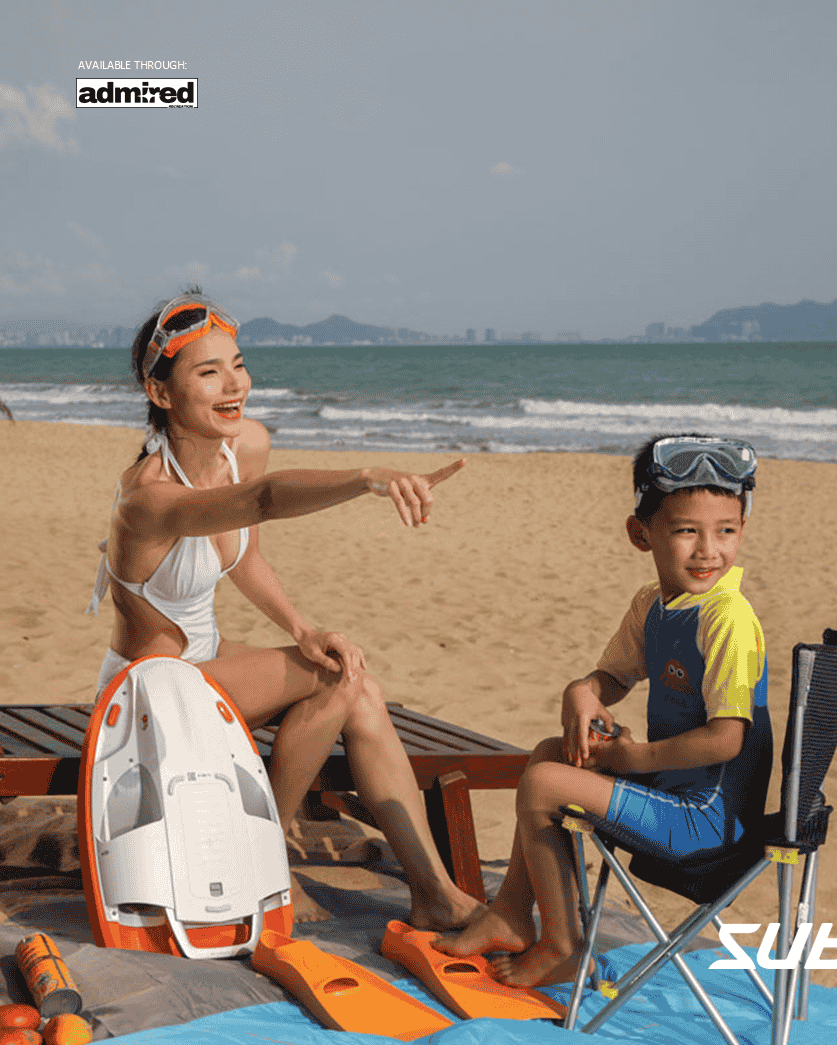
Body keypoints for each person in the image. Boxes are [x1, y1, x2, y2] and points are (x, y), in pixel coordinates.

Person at [87, 289, 483, 928]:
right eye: (207, 372)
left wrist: (301, 628)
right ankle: (265, 862)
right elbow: (265, 501)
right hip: (145, 698)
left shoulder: (243, 445)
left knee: (357, 685)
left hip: (206, 668)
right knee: (337, 678)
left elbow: (242, 554)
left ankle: (432, 889)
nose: (233, 384)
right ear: (162, 395)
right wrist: (365, 479)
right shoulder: (149, 499)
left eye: (237, 364)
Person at [435, 434, 772, 986]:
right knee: (550, 753)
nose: (708, 550)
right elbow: (614, 677)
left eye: (726, 531)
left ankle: (563, 946)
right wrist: (582, 690)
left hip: (709, 824)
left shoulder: (727, 618)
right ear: (641, 534)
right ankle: (511, 913)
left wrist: (630, 759)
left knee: (546, 784)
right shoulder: (655, 606)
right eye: (687, 530)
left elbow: (726, 740)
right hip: (673, 793)